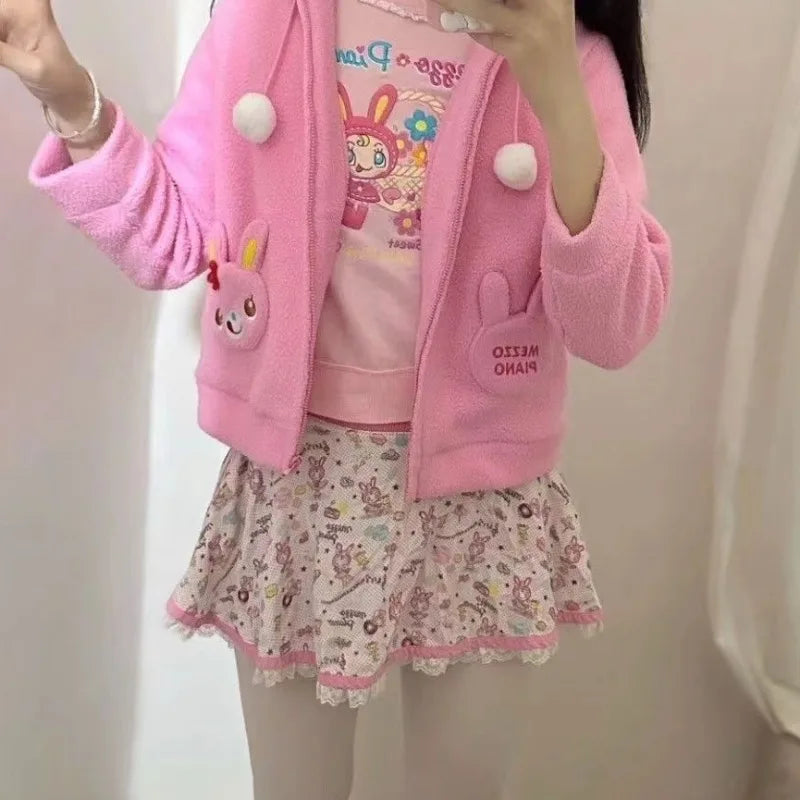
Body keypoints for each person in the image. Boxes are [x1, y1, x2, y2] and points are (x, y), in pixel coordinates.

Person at [1, 0, 672, 797]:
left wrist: (557, 86)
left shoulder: (561, 48)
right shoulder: (262, 19)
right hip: (299, 480)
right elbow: (171, 241)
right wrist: (70, 96)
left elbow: (614, 327)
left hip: (481, 500)